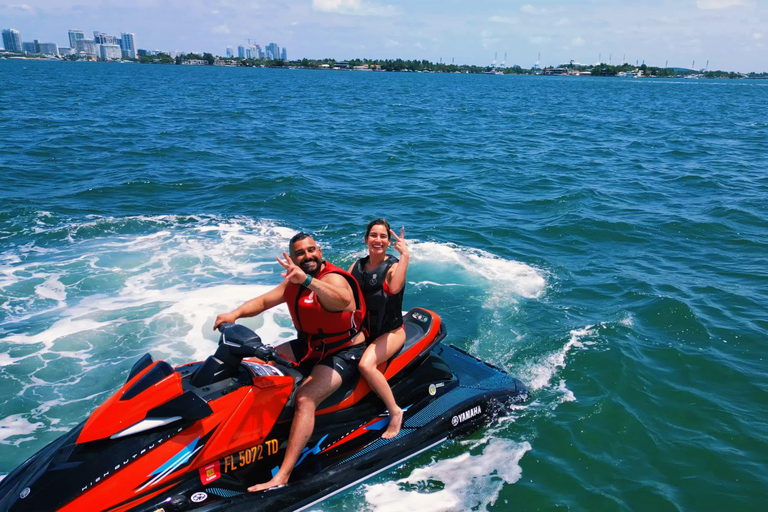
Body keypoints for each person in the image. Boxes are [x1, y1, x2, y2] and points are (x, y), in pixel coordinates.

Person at [213, 232, 366, 492]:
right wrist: (234, 314)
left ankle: (282, 475)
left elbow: (344, 300)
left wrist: (306, 280)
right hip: (309, 346)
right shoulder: (293, 283)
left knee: (306, 398)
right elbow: (262, 301)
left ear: (319, 252)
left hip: (344, 350)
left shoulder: (332, 278)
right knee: (252, 366)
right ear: (292, 258)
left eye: (311, 250)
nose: (307, 256)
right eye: (300, 253)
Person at [349, 219, 409, 439]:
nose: (378, 240)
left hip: (391, 332)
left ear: (388, 242)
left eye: (383, 236)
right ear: (366, 240)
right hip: (364, 332)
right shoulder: (357, 266)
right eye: (374, 235)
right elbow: (344, 295)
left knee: (366, 365)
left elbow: (393, 288)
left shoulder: (392, 267)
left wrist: (405, 256)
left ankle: (394, 412)